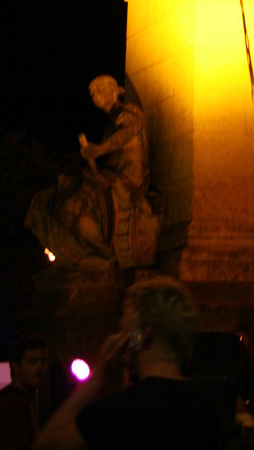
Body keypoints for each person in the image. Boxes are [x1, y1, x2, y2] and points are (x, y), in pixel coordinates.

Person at [34, 276, 222, 450]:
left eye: (124, 323)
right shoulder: (207, 407)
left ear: (144, 335)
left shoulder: (117, 412)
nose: (119, 330)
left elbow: (44, 445)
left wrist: (98, 378)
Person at [25, 76, 161, 269]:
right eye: (92, 93)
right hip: (113, 174)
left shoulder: (129, 111)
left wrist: (99, 149)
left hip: (129, 177)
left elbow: (125, 135)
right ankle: (89, 250)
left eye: (99, 90)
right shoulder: (108, 126)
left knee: (79, 200)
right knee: (70, 198)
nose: (95, 96)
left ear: (115, 91)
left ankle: (103, 251)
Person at [0, 334, 48, 449]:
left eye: (43, 361)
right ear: (15, 367)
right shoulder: (14, 403)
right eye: (32, 361)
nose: (40, 367)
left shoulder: (13, 400)